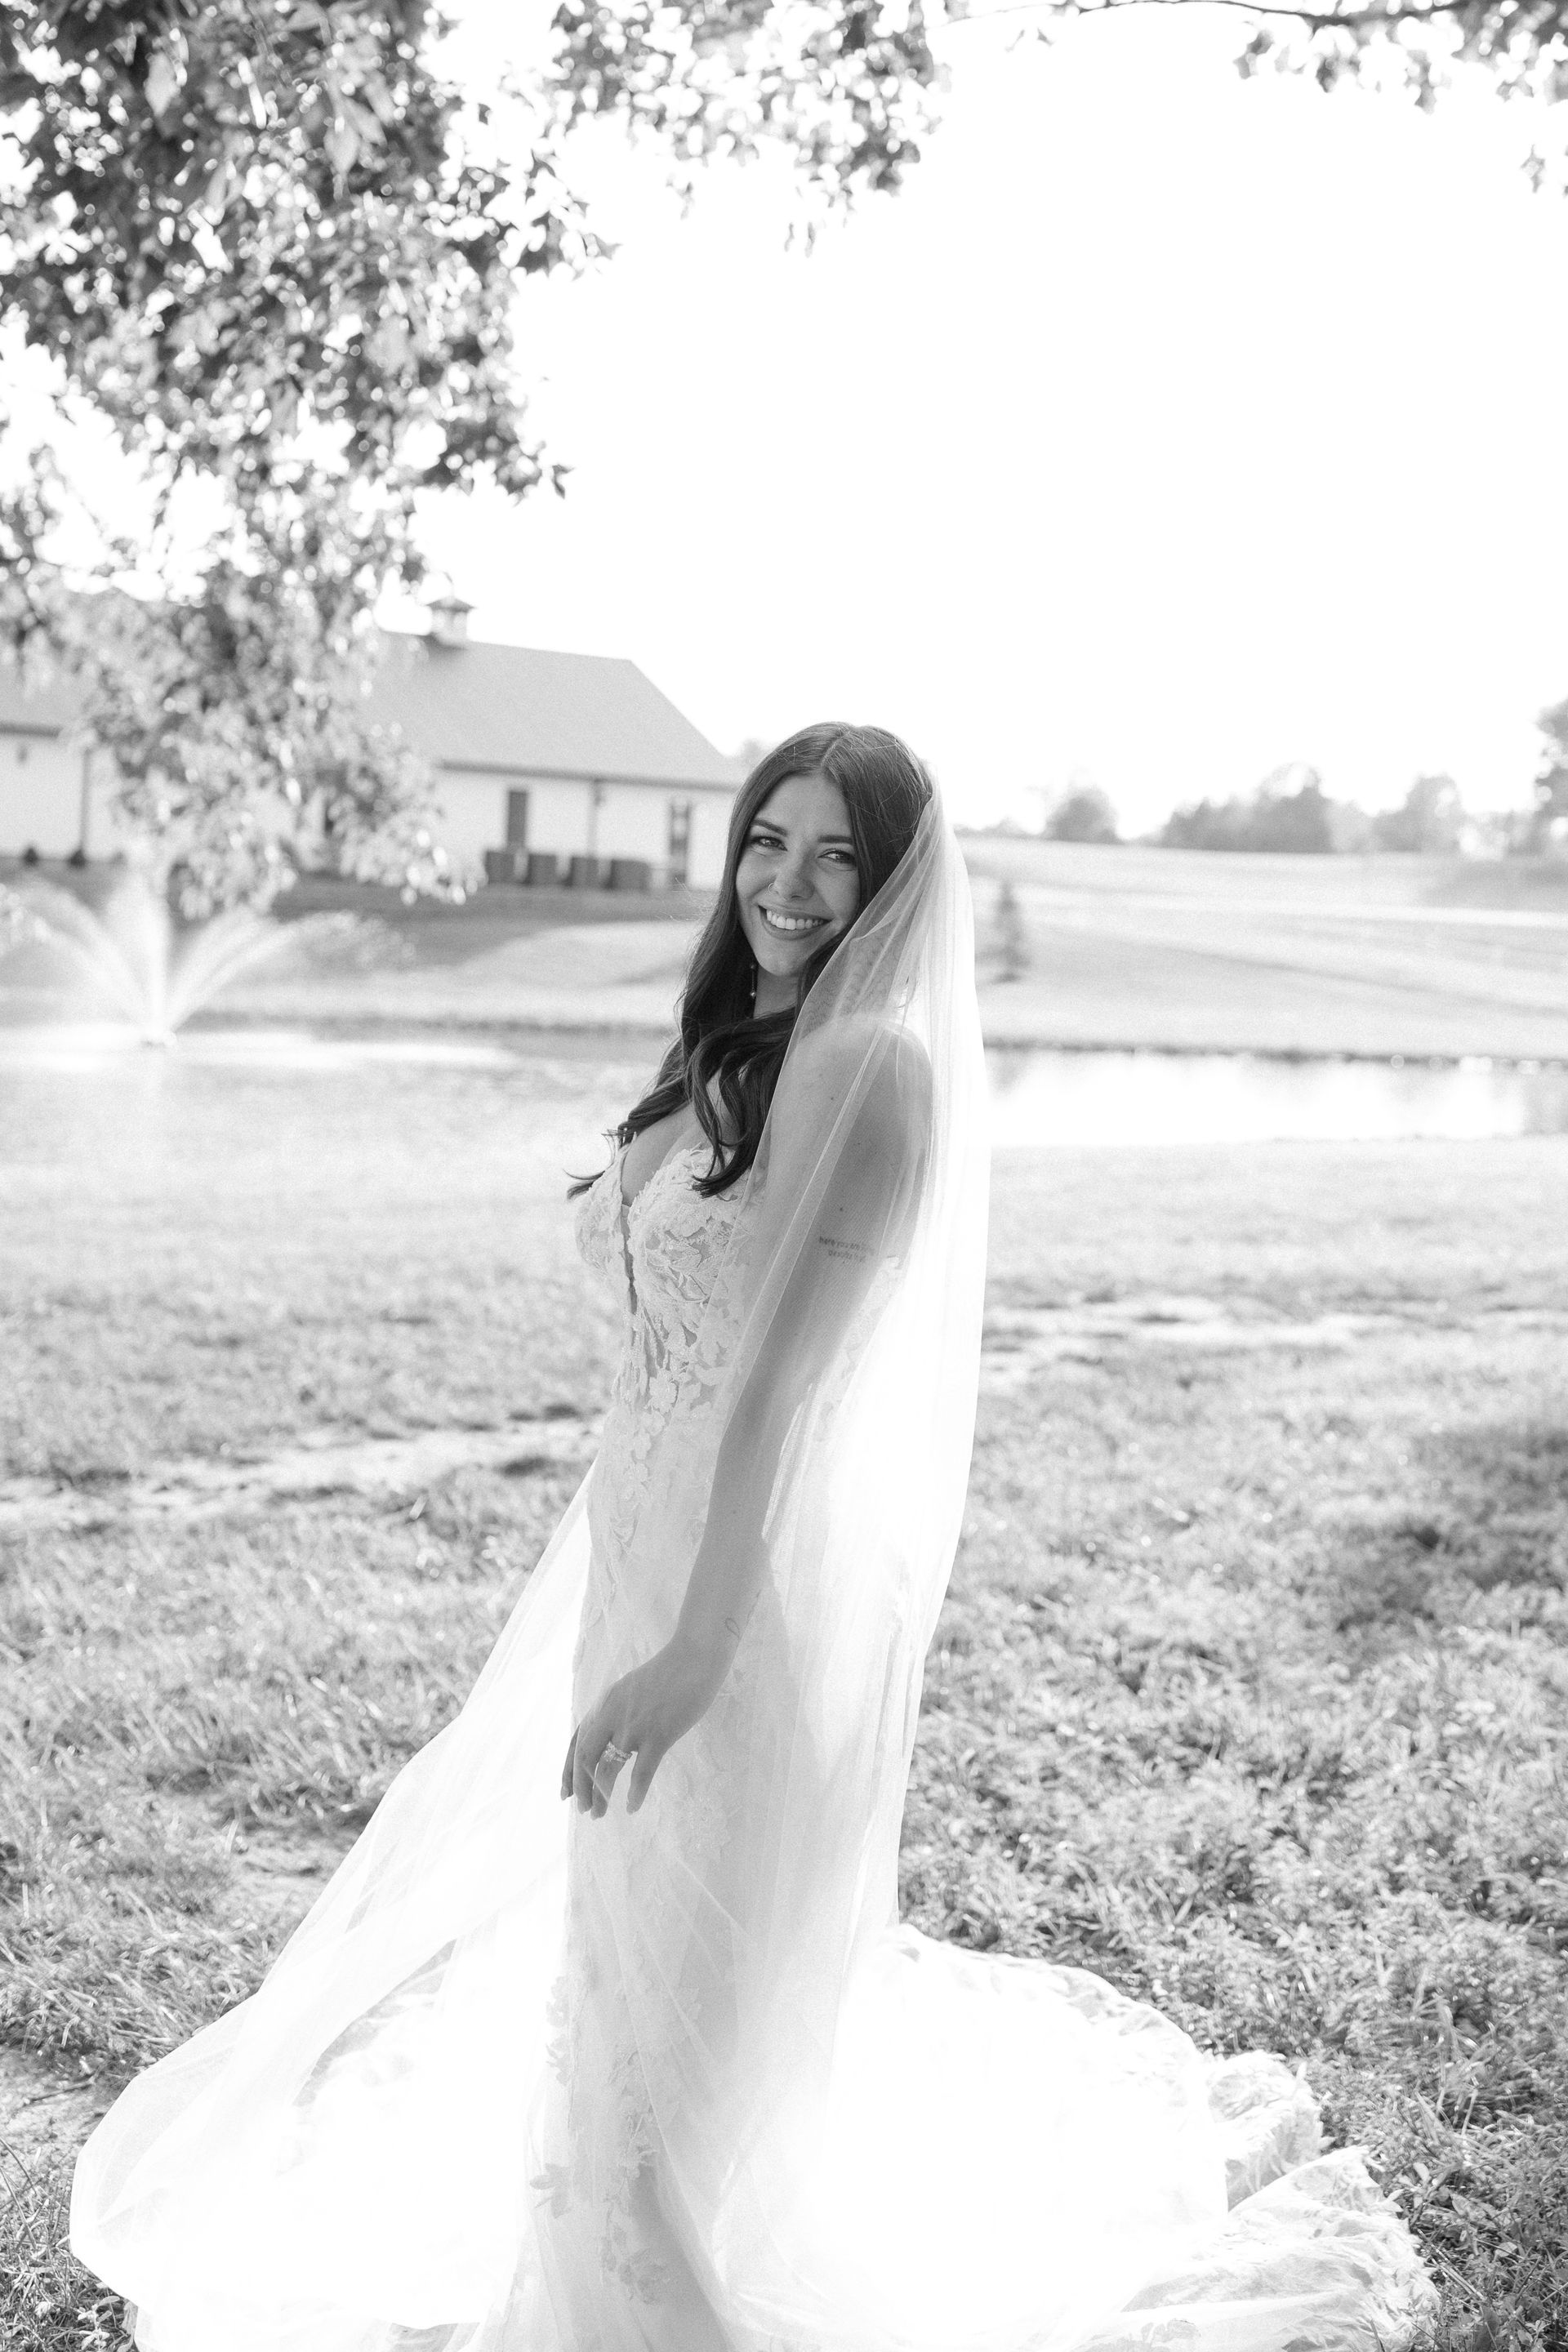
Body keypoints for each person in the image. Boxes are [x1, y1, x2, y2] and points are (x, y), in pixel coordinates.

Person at [72, 725, 1432, 2352]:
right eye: (768, 840)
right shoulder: (739, 1042)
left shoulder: (870, 1071)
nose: (790, 882)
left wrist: (696, 1654)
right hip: (638, 1564)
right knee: (614, 2024)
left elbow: (780, 1401)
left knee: (645, 2113)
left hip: (739, 1613)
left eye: (837, 854)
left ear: (894, 883)